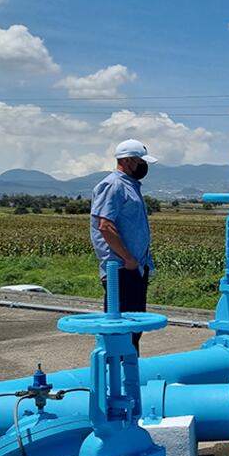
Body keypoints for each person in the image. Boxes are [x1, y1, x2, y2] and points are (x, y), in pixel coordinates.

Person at [90, 139, 157, 352]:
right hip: (121, 270)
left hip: (135, 268)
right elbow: (105, 226)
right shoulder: (114, 185)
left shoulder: (130, 185)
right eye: (140, 161)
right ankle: (118, 375)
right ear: (127, 161)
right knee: (122, 329)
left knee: (134, 329)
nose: (143, 166)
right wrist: (127, 258)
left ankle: (130, 374)